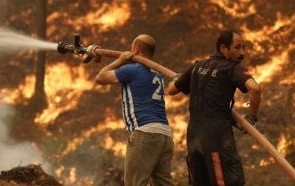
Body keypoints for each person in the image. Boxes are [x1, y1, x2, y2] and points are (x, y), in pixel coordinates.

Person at [165, 30, 261, 186]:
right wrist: (252, 116)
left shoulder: (196, 67)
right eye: (237, 47)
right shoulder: (231, 68)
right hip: (216, 136)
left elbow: (171, 90)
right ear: (223, 48)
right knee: (227, 182)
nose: (242, 53)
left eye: (243, 47)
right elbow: (255, 89)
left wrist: (178, 79)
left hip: (193, 136)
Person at [94, 34, 174, 186]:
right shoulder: (156, 74)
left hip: (144, 134)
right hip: (164, 136)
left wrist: (120, 60)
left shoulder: (133, 69)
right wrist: (100, 63)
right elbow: (121, 82)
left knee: (134, 183)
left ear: (135, 49)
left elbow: (100, 78)